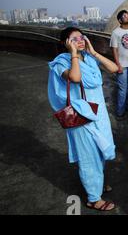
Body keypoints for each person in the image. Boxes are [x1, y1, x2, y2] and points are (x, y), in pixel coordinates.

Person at [48, 27, 119, 211]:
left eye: (81, 37)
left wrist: (93, 52)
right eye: (74, 39)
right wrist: (73, 54)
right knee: (89, 156)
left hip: (98, 114)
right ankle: (93, 198)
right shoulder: (60, 63)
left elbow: (114, 68)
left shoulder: (89, 59)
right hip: (81, 116)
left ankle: (98, 181)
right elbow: (75, 77)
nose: (79, 40)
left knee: (101, 149)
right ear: (65, 43)